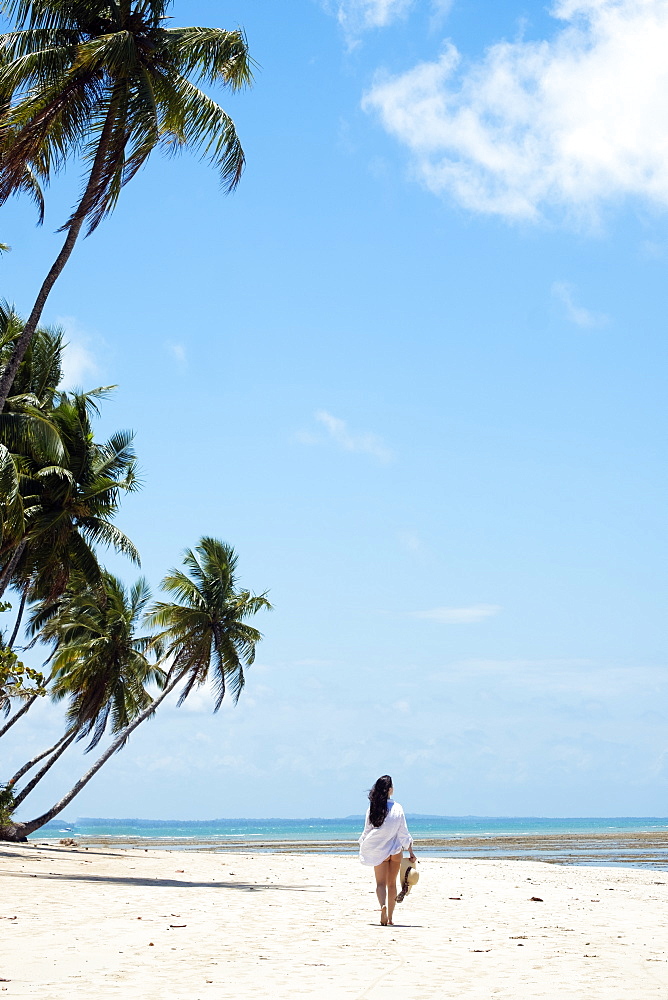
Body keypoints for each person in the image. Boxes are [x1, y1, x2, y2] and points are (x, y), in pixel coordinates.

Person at [358, 774, 416, 926]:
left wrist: (363, 846)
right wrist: (410, 852)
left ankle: (382, 906)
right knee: (392, 884)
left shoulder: (373, 807)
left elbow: (367, 831)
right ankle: (390, 918)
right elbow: (403, 833)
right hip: (396, 851)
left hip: (380, 850)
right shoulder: (397, 808)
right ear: (390, 790)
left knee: (380, 884)